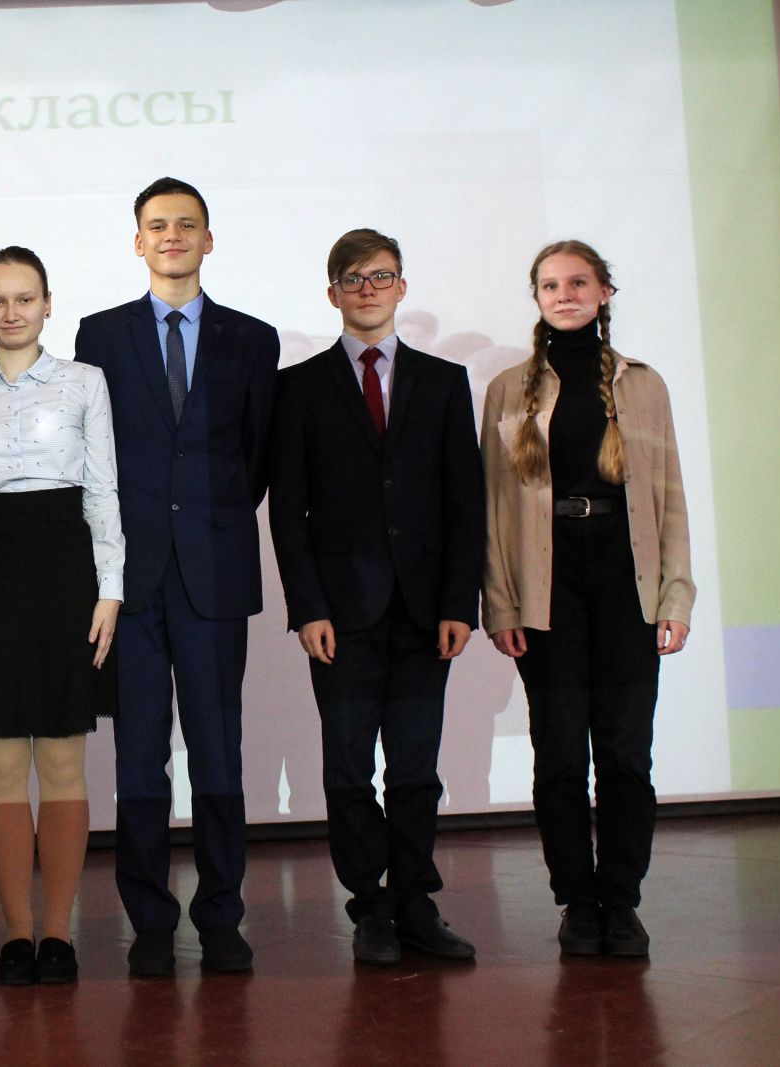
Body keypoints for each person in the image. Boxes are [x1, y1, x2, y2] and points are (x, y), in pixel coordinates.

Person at [74, 177, 279, 977]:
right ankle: (151, 920)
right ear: (138, 241)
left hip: (215, 574)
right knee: (138, 757)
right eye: (157, 225)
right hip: (129, 577)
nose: (172, 235)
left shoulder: (251, 338)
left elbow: (254, 458)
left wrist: (205, 519)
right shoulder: (100, 333)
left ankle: (222, 915)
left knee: (218, 752)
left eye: (186, 224)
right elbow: (95, 453)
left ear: (208, 239)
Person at [269, 228, 486, 965]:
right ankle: (370, 906)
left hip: (426, 612)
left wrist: (460, 603)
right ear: (332, 293)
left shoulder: (444, 381)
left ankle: (416, 902)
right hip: (340, 615)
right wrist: (307, 607)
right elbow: (288, 510)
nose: (368, 289)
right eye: (353, 278)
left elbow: (465, 503)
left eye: (381, 276)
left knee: (416, 769)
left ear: (402, 286)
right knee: (348, 769)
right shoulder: (298, 387)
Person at [481, 239, 693, 957]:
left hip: (627, 589)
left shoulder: (645, 385)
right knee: (562, 757)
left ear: (604, 292)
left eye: (578, 283)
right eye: (550, 285)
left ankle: (621, 901)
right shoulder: (508, 389)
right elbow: (494, 506)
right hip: (548, 595)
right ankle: (577, 900)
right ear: (537, 298)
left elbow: (669, 497)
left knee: (627, 756)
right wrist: (501, 605)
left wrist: (675, 596)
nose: (564, 295)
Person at [0, 247, 123, 985]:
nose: (11, 312)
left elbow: (103, 492)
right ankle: (17, 934)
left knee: (64, 758)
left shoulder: (86, 381)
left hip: (68, 572)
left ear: (48, 303)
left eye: (24, 298)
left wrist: (110, 591)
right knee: (2, 762)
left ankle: (59, 933)